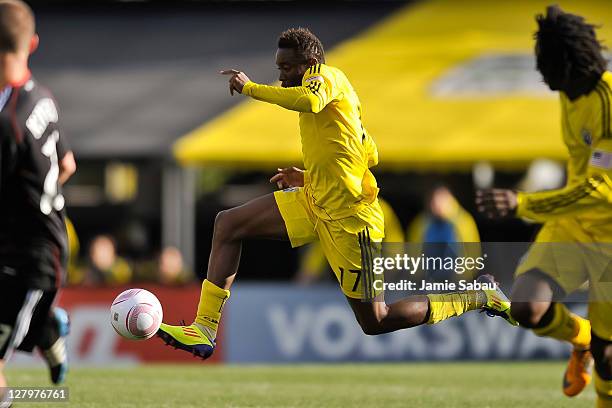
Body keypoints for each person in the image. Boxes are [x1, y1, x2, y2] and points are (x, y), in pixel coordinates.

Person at [158, 27, 516, 361]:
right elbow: (360, 150)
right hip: (315, 200)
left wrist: (251, 88)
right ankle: (204, 327)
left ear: (309, 64)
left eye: (287, 67)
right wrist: (309, 175)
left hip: (351, 221)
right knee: (228, 223)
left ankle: (475, 295)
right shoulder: (330, 93)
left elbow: (309, 102)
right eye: (278, 67)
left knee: (376, 320)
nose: (281, 74)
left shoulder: (325, 79)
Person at [476, 6, 612, 405]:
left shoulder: (607, 104)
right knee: (525, 306)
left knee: (609, 362)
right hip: (572, 225)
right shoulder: (572, 93)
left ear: (572, 65)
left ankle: (597, 351)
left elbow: (602, 190)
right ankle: (582, 338)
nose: (548, 82)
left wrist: (523, 203)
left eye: (552, 71)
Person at [0, 1, 75, 405]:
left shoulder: (7, 121)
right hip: (41, 238)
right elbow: (67, 164)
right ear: (32, 43)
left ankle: (43, 325)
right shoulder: (41, 97)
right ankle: (44, 328)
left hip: (27, 259)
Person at [295, 197, 404, 284]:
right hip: (341, 280)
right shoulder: (332, 209)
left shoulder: (381, 209)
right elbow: (320, 249)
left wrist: (389, 276)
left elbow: (395, 246)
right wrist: (308, 273)